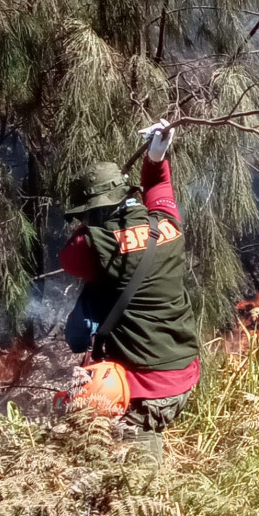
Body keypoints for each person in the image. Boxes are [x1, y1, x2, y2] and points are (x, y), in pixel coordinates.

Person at [59, 124, 199, 463]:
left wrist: (93, 223)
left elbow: (70, 257)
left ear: (96, 209)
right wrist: (155, 157)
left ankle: (150, 492)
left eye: (86, 213)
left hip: (145, 386)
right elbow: (160, 189)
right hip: (183, 371)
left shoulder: (93, 244)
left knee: (137, 472)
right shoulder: (167, 223)